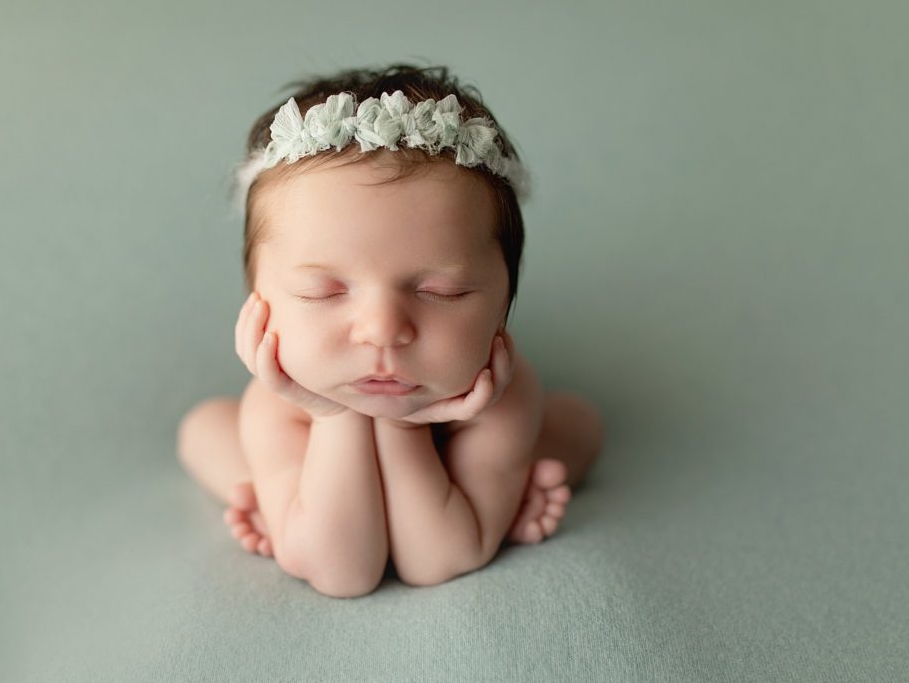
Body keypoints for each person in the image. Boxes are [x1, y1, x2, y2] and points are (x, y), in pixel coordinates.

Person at [177, 63, 603, 598]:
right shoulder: (277, 404)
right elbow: (341, 572)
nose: (382, 331)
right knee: (205, 428)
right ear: (257, 305)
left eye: (439, 292)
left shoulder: (503, 400)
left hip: (467, 429)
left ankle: (292, 502)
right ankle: (274, 490)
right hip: (304, 415)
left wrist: (400, 427)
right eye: (323, 293)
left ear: (502, 307)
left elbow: (439, 558)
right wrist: (331, 415)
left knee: (577, 425)